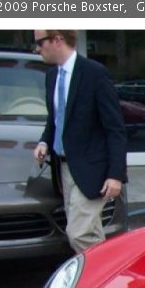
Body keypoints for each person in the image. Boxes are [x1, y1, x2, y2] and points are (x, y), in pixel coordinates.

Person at [32, 30, 127, 253]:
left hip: (94, 170)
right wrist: (44, 141)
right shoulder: (51, 76)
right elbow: (55, 119)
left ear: (58, 40)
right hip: (64, 168)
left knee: (79, 234)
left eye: (39, 42)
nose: (37, 49)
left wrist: (116, 175)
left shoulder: (95, 74)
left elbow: (115, 128)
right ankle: (107, 281)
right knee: (91, 234)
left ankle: (101, 278)